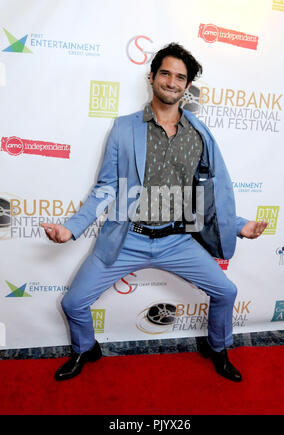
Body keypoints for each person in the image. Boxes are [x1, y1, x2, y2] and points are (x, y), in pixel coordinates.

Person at [41, 43, 268, 382]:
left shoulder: (200, 135)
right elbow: (106, 187)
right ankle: (85, 348)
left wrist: (239, 225)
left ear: (187, 86)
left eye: (180, 77)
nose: (172, 81)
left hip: (178, 240)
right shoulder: (123, 128)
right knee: (73, 302)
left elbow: (208, 196)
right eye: (166, 73)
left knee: (227, 291)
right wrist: (71, 229)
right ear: (152, 77)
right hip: (127, 238)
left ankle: (218, 348)